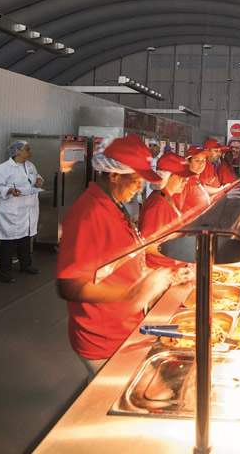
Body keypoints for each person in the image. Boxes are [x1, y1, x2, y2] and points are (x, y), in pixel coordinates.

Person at [56, 135, 178, 379]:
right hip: (103, 336)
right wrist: (133, 293)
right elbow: (69, 285)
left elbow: (119, 259)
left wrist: (152, 275)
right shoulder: (88, 215)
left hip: (125, 325)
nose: (139, 188)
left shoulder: (113, 206)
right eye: (136, 181)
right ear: (114, 175)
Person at [0, 140, 43, 283]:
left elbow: (36, 177)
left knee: (25, 239)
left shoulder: (30, 165)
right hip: (12, 211)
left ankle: (26, 265)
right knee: (8, 242)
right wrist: (9, 190)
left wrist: (39, 180)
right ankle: (5, 273)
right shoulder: (3, 168)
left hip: (28, 209)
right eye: (27, 149)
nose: (30, 151)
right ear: (17, 151)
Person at [139, 152, 197, 269]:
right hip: (159, 270)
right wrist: (180, 254)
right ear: (166, 177)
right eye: (181, 177)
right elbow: (147, 246)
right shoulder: (157, 205)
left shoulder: (166, 198)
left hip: (171, 267)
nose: (185, 181)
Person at [176, 146, 212, 214]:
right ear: (188, 162)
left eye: (203, 160)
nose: (201, 164)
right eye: (197, 160)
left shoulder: (196, 179)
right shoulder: (184, 182)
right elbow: (176, 210)